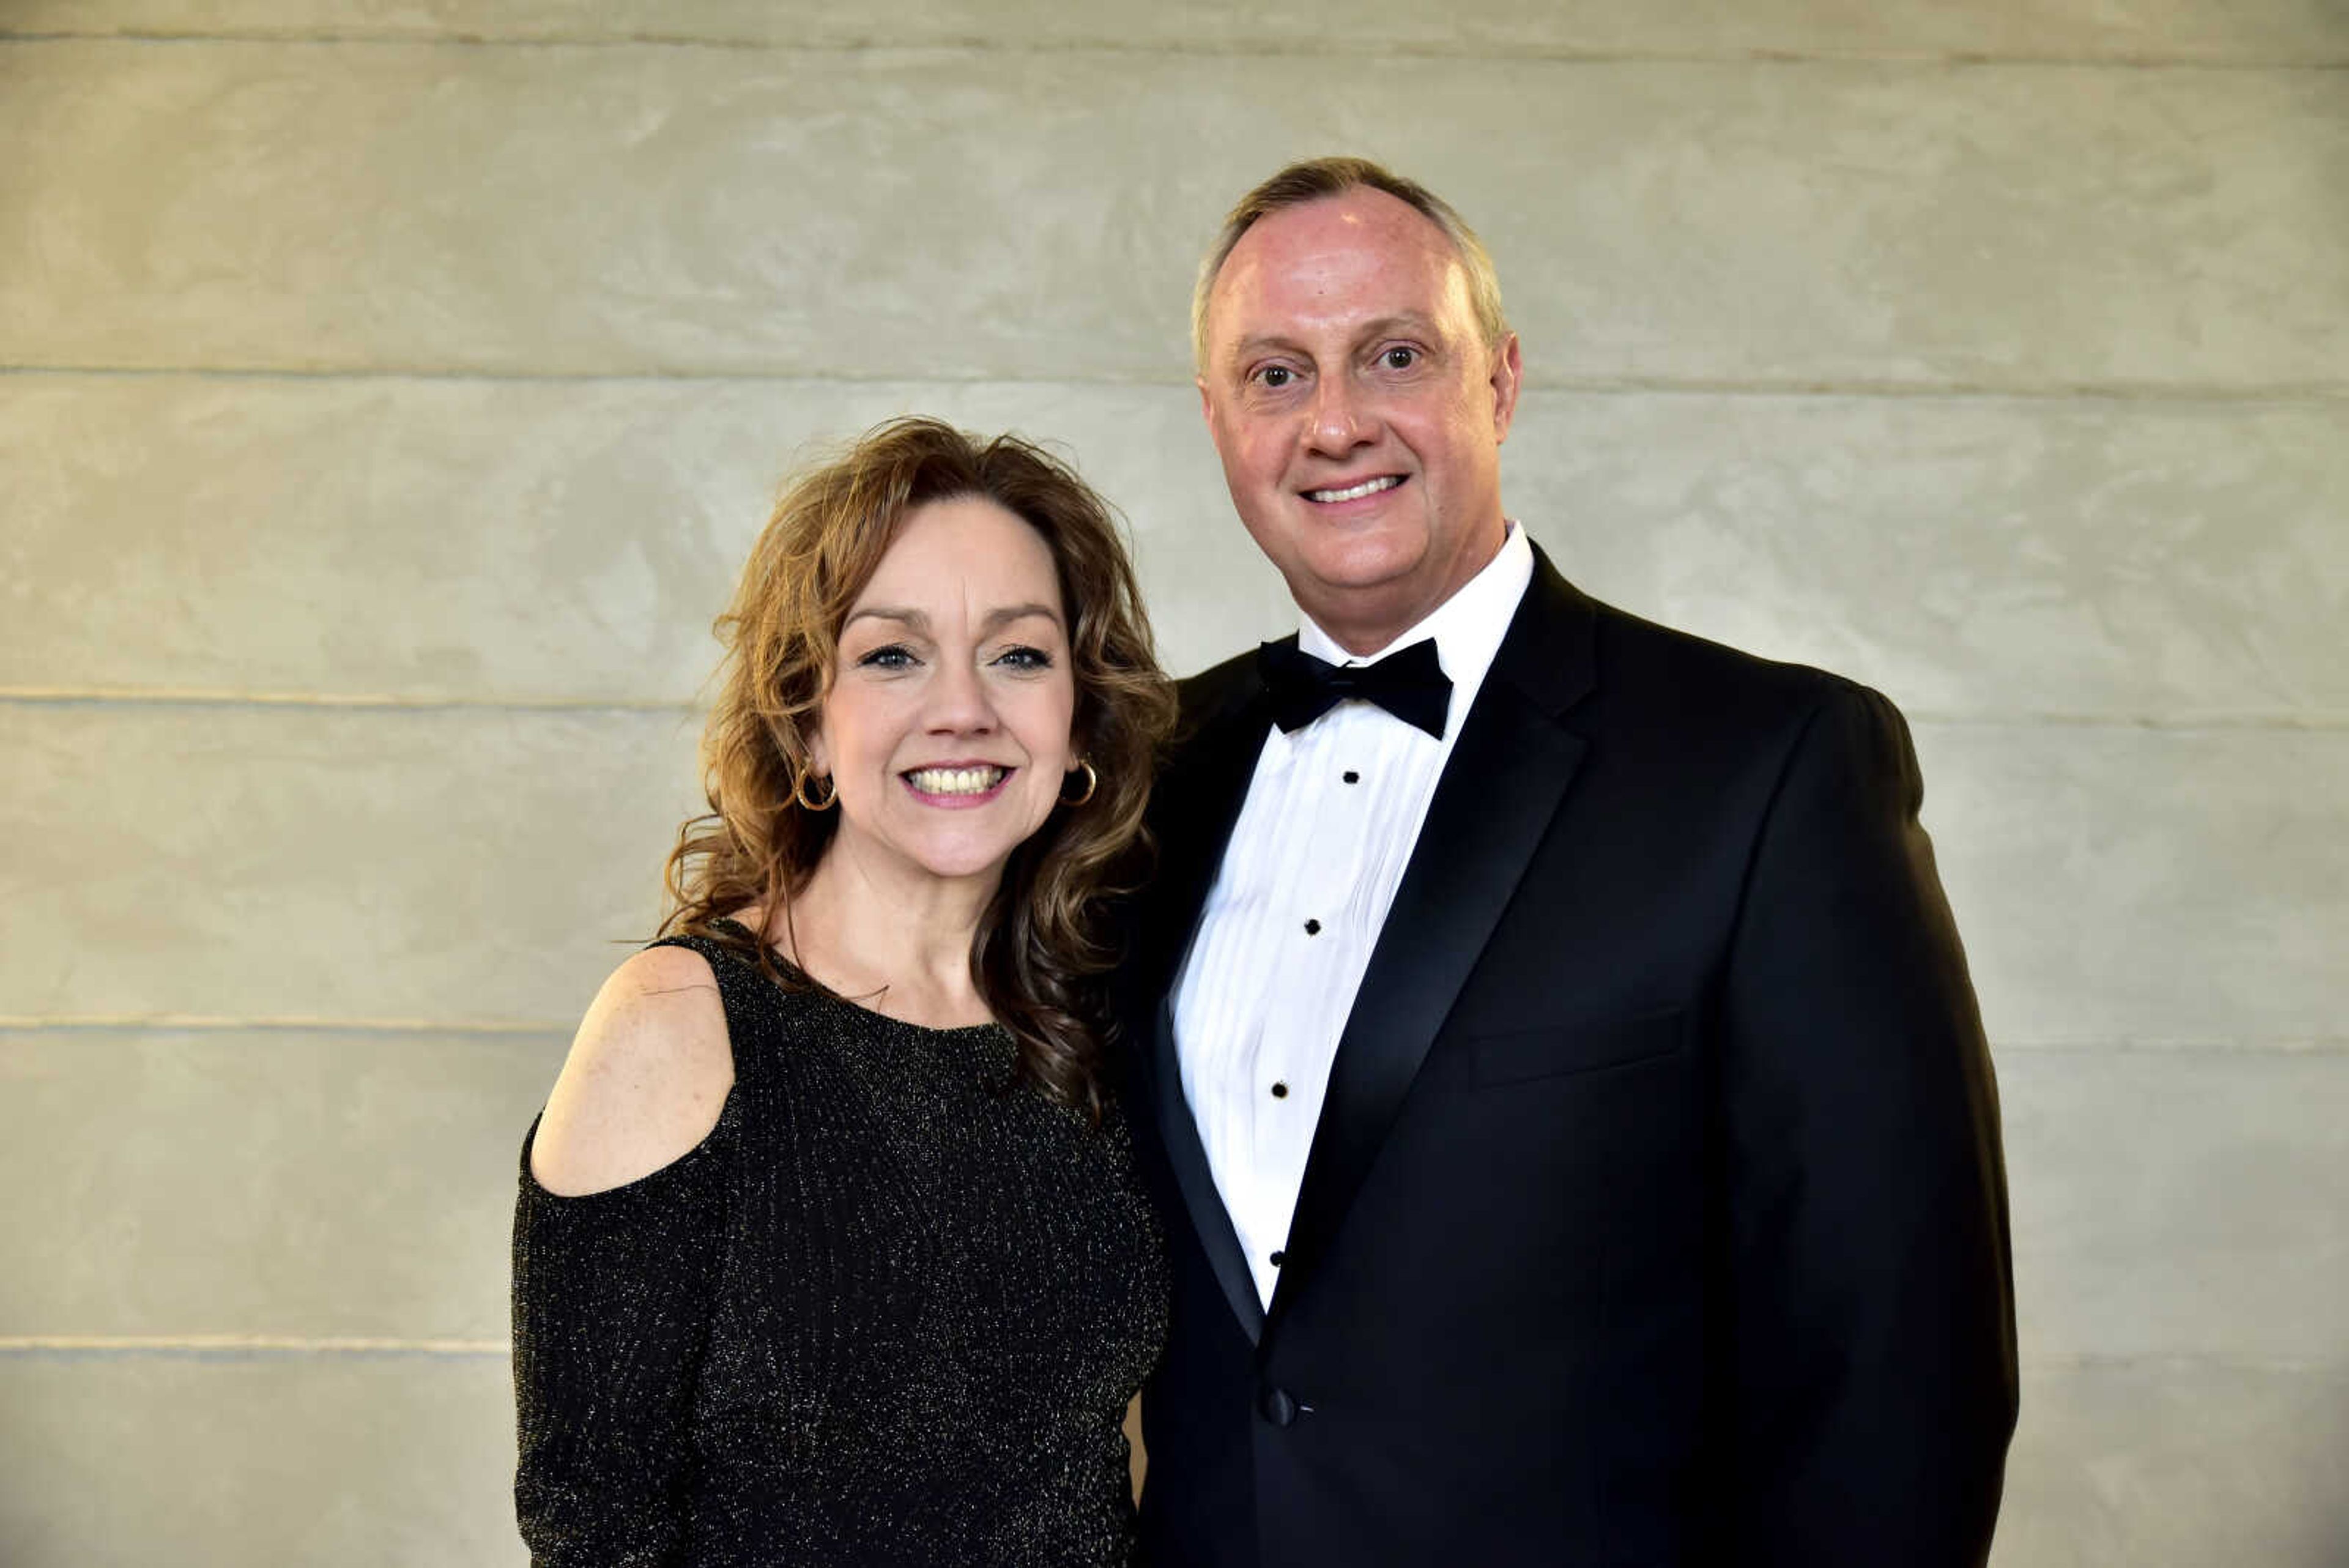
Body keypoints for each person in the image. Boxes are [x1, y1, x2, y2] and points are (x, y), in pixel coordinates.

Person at [1118, 157, 2019, 1565]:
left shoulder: (1770, 768)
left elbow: (1901, 1361)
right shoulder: (1135, 778)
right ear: (1219, 421)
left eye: (1395, 355)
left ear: (1502, 381)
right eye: (1277, 375)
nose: (1337, 422)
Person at [511, 417, 1178, 1566]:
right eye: (892, 655)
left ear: (1078, 722)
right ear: (806, 721)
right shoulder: (683, 1023)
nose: (963, 708)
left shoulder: (1097, 1025)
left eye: (1019, 654)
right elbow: (594, 1529)